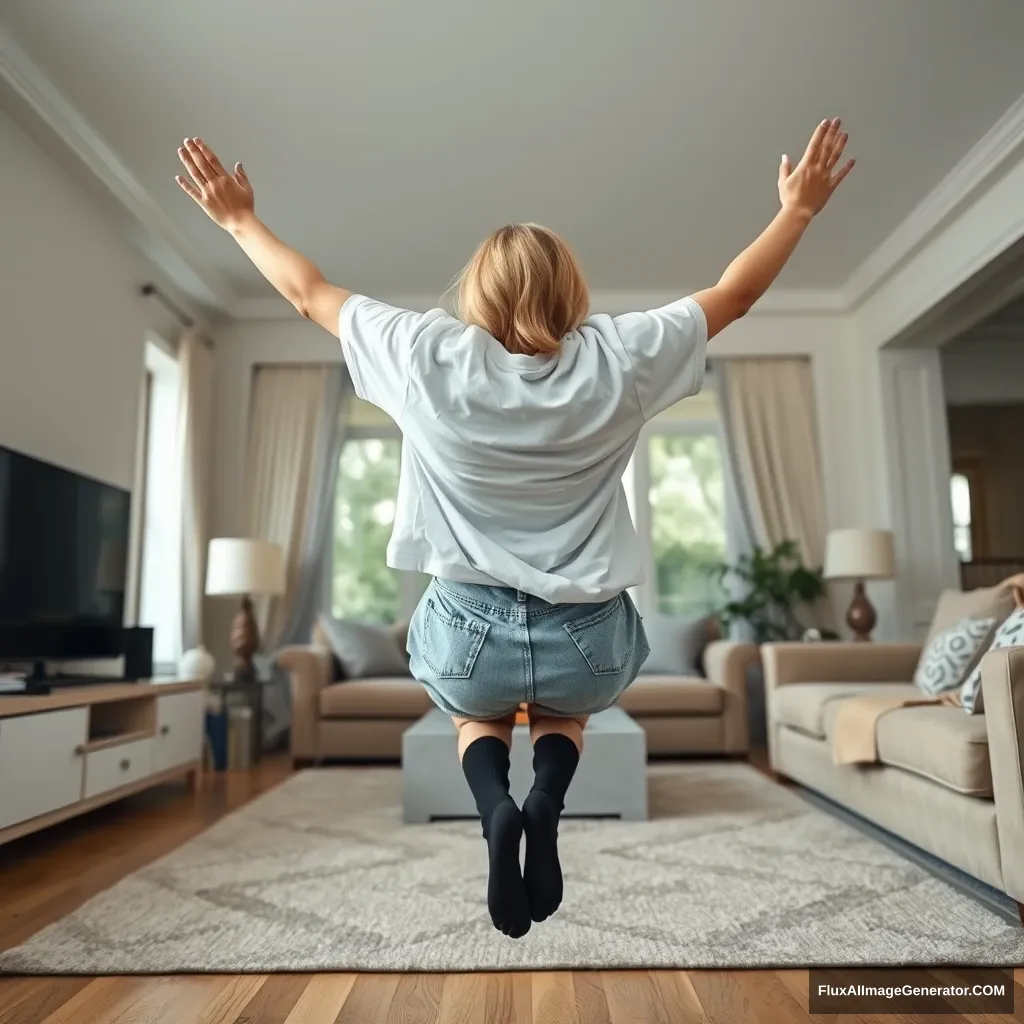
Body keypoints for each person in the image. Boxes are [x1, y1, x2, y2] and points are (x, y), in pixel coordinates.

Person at [175, 118, 854, 939]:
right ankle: (547, 799)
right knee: (570, 708)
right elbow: (735, 296)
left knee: (476, 713)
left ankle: (497, 806)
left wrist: (238, 218)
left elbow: (307, 294)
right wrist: (798, 210)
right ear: (570, 293)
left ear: (477, 294)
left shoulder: (426, 356)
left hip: (468, 634)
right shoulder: (620, 357)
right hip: (587, 640)